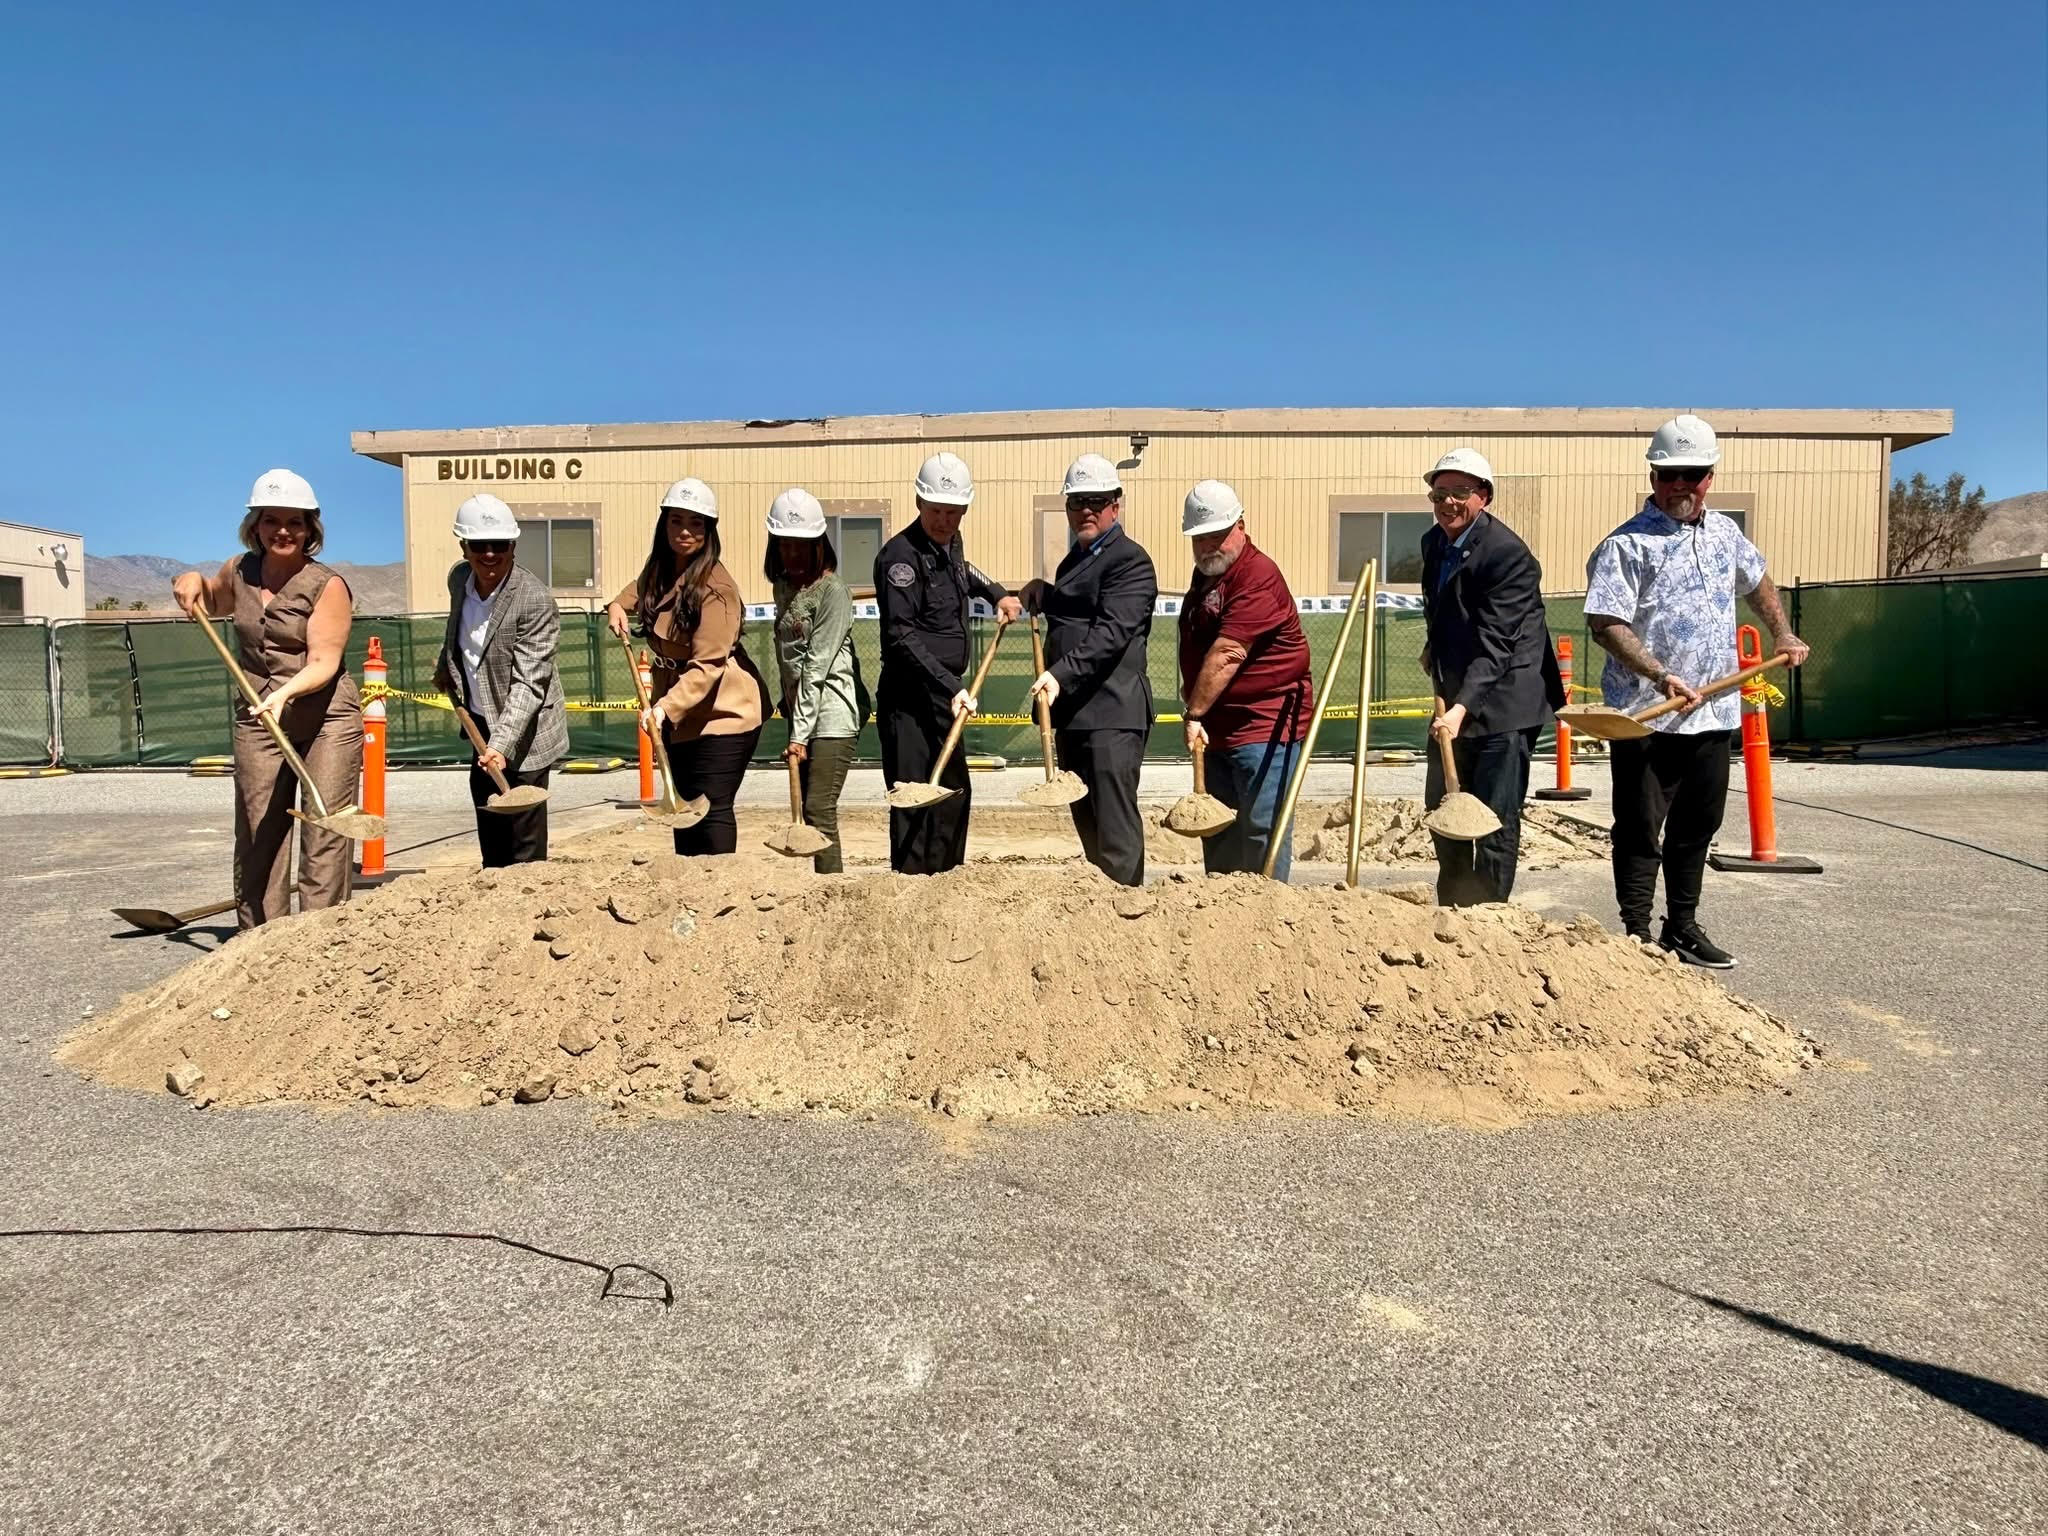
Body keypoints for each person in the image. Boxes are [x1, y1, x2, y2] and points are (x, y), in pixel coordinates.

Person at [1584, 414, 1811, 966]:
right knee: (1639, 826)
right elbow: (1606, 621)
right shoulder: (1626, 546)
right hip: (1647, 714)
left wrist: (1781, 630)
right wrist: (1660, 673)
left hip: (1713, 713)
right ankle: (1636, 934)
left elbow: (1755, 578)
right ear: (1653, 477)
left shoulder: (1726, 534)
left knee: (1698, 824)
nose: (1681, 484)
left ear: (1710, 475)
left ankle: (1681, 926)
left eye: (1693, 473)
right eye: (1670, 475)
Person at [171, 469, 363, 930]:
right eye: (271, 519)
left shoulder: (327, 584)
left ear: (310, 529)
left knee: (325, 825)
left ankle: (319, 938)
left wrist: (286, 694)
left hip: (326, 718)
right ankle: (260, 936)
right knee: (260, 825)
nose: (283, 530)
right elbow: (213, 601)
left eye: (295, 521)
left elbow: (323, 661)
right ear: (254, 525)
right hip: (258, 715)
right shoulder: (239, 570)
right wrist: (191, 578)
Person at [1418, 448, 1566, 907]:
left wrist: (1461, 708)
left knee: (1494, 815)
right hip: (1458, 693)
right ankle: (1454, 905)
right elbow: (1446, 612)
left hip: (1506, 700)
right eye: (1439, 494)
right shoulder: (1434, 543)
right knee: (1444, 805)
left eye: (1460, 493)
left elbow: (1497, 643)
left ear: (1484, 496)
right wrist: (1434, 651)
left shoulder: (1507, 555)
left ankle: (1488, 918)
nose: (1448, 503)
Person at [874, 452, 1022, 874]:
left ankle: (948, 884)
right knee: (915, 799)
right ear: (919, 503)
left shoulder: (951, 544)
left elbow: (965, 572)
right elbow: (900, 636)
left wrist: (998, 593)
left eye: (954, 512)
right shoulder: (899, 559)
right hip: (910, 699)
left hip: (945, 694)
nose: (945, 521)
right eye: (937, 511)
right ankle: (912, 890)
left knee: (954, 792)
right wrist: (950, 685)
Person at [606, 477, 768, 856]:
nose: (684, 531)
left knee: (711, 809)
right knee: (683, 808)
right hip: (679, 713)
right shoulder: (661, 571)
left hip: (723, 711)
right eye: (676, 520)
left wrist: (663, 709)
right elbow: (637, 589)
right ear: (664, 525)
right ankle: (689, 891)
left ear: (709, 531)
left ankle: (717, 891)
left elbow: (708, 665)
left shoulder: (716, 588)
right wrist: (616, 605)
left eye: (696, 523)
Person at [1024, 454, 1158, 887]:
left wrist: (1059, 675)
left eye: (1096, 501)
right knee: (1089, 826)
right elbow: (1076, 614)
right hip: (1077, 718)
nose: (1086, 510)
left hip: (1112, 716)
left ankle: (1128, 917)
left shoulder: (1130, 561)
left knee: (1115, 829)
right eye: (1077, 501)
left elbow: (1111, 633)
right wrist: (1044, 593)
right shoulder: (1072, 563)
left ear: (1116, 505)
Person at [1176, 480, 1312, 879]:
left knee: (1260, 832)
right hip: (1219, 728)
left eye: (1217, 536)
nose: (1208, 547)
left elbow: (1227, 653)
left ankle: (1267, 923)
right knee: (1219, 830)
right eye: (1199, 538)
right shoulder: (1209, 576)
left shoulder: (1257, 574)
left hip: (1264, 726)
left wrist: (1194, 712)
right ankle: (1225, 923)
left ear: (1241, 525)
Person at [433, 493, 569, 868]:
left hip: (526, 733)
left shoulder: (535, 600)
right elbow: (463, 633)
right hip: (479, 721)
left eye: (500, 545)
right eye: (479, 545)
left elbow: (529, 683)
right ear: (464, 546)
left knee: (523, 839)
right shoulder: (459, 579)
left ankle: (529, 907)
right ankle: (491, 897)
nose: (489, 554)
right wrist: (447, 667)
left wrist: (501, 746)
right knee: (490, 822)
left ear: (513, 546)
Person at [764, 487, 865, 874]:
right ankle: (819, 891)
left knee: (819, 809)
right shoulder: (785, 588)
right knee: (811, 808)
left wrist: (798, 736)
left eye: (801, 545)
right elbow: (790, 657)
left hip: (832, 715)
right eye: (784, 545)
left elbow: (817, 666)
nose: (791, 554)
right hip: (803, 715)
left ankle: (832, 896)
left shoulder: (834, 593)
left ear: (818, 544)